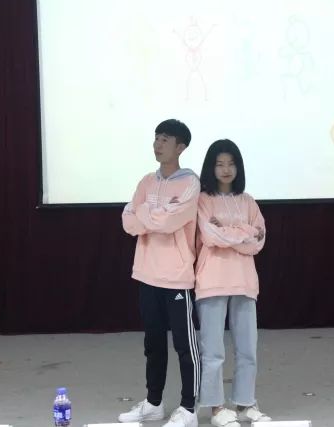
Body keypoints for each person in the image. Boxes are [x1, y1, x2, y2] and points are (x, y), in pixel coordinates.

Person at [119, 119, 201, 427]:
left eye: (165, 139)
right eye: (156, 138)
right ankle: (154, 403)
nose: (157, 144)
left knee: (184, 345)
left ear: (180, 147)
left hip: (177, 276)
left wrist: (143, 212)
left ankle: (189, 408)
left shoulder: (190, 183)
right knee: (153, 344)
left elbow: (168, 222)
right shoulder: (146, 182)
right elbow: (128, 222)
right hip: (146, 274)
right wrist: (153, 214)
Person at [195, 139, 271, 427]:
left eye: (231, 163)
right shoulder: (203, 200)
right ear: (211, 167)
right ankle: (216, 408)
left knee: (247, 349)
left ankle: (245, 403)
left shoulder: (248, 201)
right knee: (213, 351)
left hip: (244, 281)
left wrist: (228, 232)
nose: (226, 169)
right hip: (212, 280)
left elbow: (258, 241)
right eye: (219, 164)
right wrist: (244, 232)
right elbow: (210, 235)